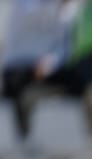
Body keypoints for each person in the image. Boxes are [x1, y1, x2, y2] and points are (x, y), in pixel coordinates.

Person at [2, 0, 72, 138]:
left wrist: (49, 63)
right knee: (16, 86)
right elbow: (26, 16)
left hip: (46, 69)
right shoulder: (23, 5)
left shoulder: (65, 12)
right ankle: (22, 137)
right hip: (18, 66)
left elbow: (64, 45)